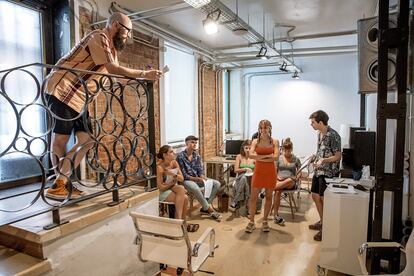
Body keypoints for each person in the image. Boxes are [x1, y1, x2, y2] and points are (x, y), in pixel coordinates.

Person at [44, 12, 163, 200]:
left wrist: (145, 78)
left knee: (87, 141)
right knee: (61, 140)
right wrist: (142, 74)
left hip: (80, 98)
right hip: (63, 90)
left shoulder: (111, 51)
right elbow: (114, 70)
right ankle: (58, 184)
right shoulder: (98, 36)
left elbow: (115, 79)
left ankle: (62, 180)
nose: (128, 36)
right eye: (127, 31)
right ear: (115, 25)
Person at [308, 110, 341, 241]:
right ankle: (323, 221)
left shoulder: (333, 135)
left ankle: (326, 227)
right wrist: (315, 157)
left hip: (328, 172)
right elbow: (321, 152)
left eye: (313, 122)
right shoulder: (319, 134)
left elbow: (338, 157)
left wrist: (324, 160)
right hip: (318, 171)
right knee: (315, 196)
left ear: (320, 122)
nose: (311, 125)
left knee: (323, 199)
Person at [176, 135, 222, 221]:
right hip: (186, 181)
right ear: (186, 143)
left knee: (217, 183)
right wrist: (197, 179)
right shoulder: (180, 157)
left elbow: (200, 170)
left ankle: (205, 207)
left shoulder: (197, 156)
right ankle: (210, 210)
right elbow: (183, 175)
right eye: (192, 142)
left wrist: (202, 176)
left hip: (197, 178)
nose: (195, 144)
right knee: (196, 188)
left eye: (196, 142)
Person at [245, 120, 279, 233]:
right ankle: (251, 221)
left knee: (269, 197)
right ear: (259, 129)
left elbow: (276, 157)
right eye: (261, 128)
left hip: (270, 172)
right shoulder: (255, 141)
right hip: (258, 171)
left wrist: (259, 156)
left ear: (270, 128)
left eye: (266, 127)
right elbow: (250, 155)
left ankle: (265, 221)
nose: (263, 130)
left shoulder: (275, 141)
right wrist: (267, 156)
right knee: (253, 197)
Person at [157, 145, 199, 232]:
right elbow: (161, 187)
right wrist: (171, 184)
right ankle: (180, 222)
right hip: (164, 192)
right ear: (165, 155)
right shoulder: (160, 167)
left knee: (183, 192)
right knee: (184, 195)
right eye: (171, 152)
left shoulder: (174, 163)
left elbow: (182, 178)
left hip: (173, 188)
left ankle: (180, 222)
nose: (174, 153)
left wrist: (173, 175)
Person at [273, 138, 302, 226]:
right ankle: (276, 215)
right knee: (278, 191)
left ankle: (268, 189)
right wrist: (277, 176)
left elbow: (300, 172)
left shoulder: (296, 159)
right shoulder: (279, 158)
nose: (287, 153)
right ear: (283, 150)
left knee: (289, 180)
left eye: (289, 151)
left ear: (291, 150)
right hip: (279, 180)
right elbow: (274, 171)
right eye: (285, 151)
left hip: (290, 182)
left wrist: (296, 178)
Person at [229, 140, 255, 213]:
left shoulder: (254, 157)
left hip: (251, 177)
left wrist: (253, 171)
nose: (248, 150)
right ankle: (248, 208)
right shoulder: (239, 156)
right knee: (244, 178)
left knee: (246, 180)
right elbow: (236, 170)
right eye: (246, 148)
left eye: (250, 148)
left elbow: (257, 170)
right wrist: (245, 169)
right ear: (243, 148)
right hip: (240, 176)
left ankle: (235, 201)